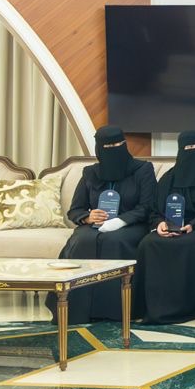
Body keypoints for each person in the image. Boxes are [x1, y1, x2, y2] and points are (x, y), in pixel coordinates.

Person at [53, 126, 158, 323]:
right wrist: (88, 217)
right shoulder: (90, 173)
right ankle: (77, 309)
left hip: (131, 225)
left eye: (117, 145)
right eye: (107, 147)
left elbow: (147, 206)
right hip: (95, 226)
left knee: (115, 241)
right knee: (82, 240)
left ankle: (115, 310)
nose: (112, 150)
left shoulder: (142, 170)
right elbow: (75, 210)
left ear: (124, 145)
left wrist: (120, 220)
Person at [135, 131, 195, 324]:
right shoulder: (169, 178)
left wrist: (194, 224)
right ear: (180, 150)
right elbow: (155, 209)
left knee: (186, 245)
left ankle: (184, 307)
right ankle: (151, 307)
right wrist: (160, 224)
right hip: (171, 225)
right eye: (189, 148)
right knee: (148, 243)